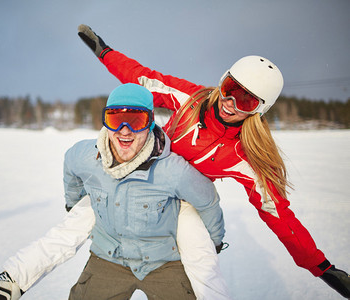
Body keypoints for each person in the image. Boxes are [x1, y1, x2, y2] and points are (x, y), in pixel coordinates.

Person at [74, 24, 350, 299]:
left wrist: (321, 267)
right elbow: (144, 79)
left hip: (181, 205)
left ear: (259, 109)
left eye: (246, 100)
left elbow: (278, 214)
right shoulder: (191, 99)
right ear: (223, 79)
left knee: (200, 275)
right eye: (230, 88)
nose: (230, 102)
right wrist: (105, 52)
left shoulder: (245, 155)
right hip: (139, 179)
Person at [0, 83, 231, 300]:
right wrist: (74, 204)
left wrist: (215, 240)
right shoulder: (84, 155)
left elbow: (208, 201)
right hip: (109, 258)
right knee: (70, 226)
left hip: (164, 261)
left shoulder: (174, 170)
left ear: (150, 123)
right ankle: (12, 280)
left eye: (136, 120)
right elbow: (70, 169)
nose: (124, 130)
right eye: (115, 119)